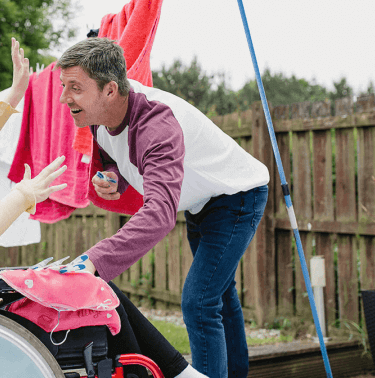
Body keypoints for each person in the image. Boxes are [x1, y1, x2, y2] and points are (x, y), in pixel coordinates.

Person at [0, 38, 207, 378]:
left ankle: (175, 373)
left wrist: (16, 94)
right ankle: (176, 374)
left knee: (101, 290)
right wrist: (22, 196)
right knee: (97, 290)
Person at [56, 37, 270, 378]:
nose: (65, 97)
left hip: (236, 197)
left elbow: (159, 214)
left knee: (199, 303)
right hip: (200, 201)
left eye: (75, 88)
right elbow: (118, 154)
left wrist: (95, 260)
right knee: (220, 296)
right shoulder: (100, 116)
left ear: (110, 90)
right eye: (64, 86)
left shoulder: (157, 125)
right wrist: (113, 177)